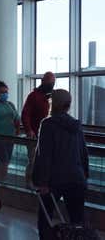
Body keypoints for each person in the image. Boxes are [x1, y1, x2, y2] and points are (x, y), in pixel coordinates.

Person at [33, 89, 89, 240]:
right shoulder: (76, 125)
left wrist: (42, 182)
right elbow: (83, 152)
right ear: (69, 105)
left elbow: (45, 155)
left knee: (45, 216)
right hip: (76, 178)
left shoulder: (47, 124)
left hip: (53, 180)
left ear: (53, 103)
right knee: (77, 219)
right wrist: (84, 176)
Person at [22, 71, 55, 188]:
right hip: (34, 135)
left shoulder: (52, 97)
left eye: (53, 83)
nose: (51, 85)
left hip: (48, 136)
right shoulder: (33, 96)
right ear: (43, 81)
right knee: (33, 160)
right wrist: (29, 130)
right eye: (49, 82)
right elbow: (25, 114)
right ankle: (29, 182)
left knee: (47, 161)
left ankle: (43, 183)